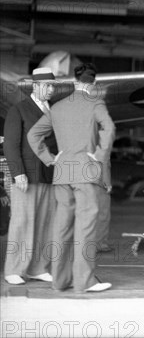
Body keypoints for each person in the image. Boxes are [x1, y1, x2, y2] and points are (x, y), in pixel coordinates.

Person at [28, 63, 115, 293]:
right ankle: (84, 281)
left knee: (62, 227)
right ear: (93, 83)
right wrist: (99, 155)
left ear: (75, 82)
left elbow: (33, 134)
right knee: (86, 227)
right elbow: (109, 128)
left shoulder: (57, 107)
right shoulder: (96, 103)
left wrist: (50, 158)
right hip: (86, 172)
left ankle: (60, 281)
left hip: (62, 172)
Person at [3, 67, 58, 285]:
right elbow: (10, 145)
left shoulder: (54, 111)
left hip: (49, 176)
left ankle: (38, 268)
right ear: (35, 86)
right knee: (22, 223)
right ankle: (13, 269)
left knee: (45, 223)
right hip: (26, 176)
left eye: (53, 85)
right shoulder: (19, 110)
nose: (51, 89)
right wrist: (18, 173)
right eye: (47, 85)